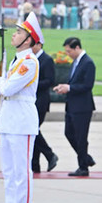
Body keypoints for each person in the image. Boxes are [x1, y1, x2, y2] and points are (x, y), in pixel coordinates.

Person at [0, 12, 42, 203]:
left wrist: (0, 82)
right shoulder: (17, 61)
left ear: (29, 39)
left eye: (19, 32)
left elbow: (8, 88)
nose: (14, 35)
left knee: (22, 173)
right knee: (9, 172)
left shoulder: (29, 62)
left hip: (22, 120)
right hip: (9, 118)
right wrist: (2, 83)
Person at [53, 36, 96, 177]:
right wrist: (64, 87)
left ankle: (83, 167)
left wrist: (69, 88)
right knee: (69, 133)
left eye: (69, 51)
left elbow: (87, 85)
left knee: (81, 137)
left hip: (82, 107)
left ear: (77, 48)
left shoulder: (88, 63)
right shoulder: (76, 62)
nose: (68, 54)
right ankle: (86, 158)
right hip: (72, 105)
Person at [31, 38, 59, 173]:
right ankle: (35, 164)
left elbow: (50, 80)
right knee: (32, 131)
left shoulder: (46, 60)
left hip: (41, 101)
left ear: (39, 44)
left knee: (33, 129)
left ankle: (50, 154)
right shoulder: (30, 59)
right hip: (31, 101)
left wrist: (32, 85)